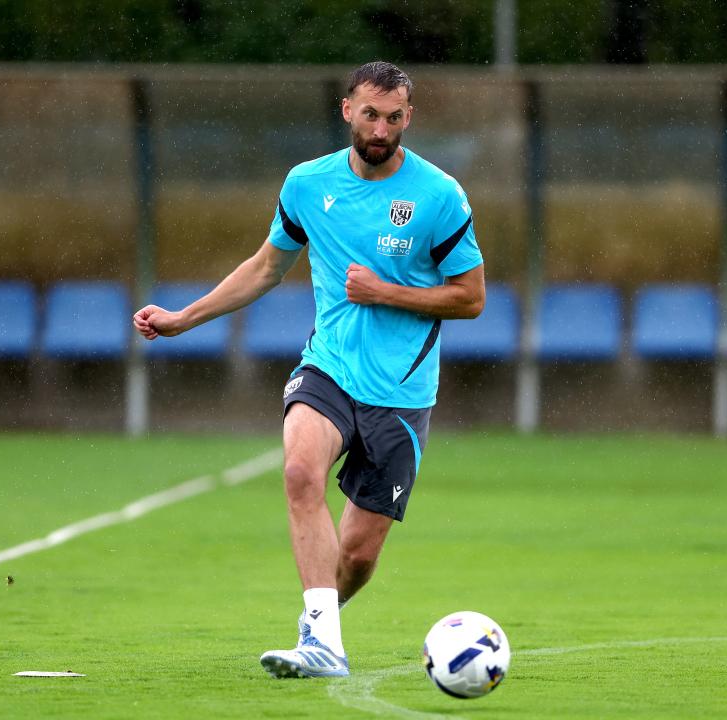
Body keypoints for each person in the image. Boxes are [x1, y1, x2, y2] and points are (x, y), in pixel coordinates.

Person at [133, 61, 485, 679]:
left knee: (357, 556)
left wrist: (386, 292)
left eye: (394, 117)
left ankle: (318, 622)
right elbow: (267, 266)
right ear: (347, 109)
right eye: (370, 114)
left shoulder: (438, 195)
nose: (381, 128)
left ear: (410, 118)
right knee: (300, 470)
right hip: (328, 367)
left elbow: (471, 297)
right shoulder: (306, 184)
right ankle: (325, 644)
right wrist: (185, 318)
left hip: (401, 394)